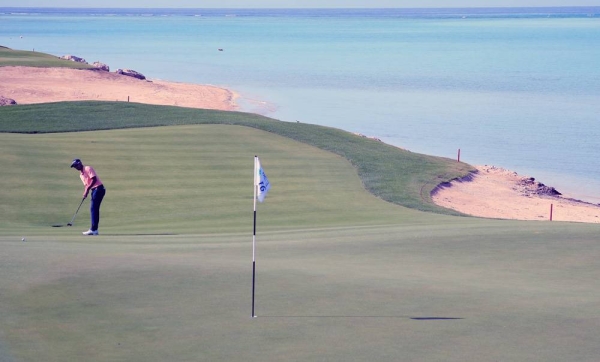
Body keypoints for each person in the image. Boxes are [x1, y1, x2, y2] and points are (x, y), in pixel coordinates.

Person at [70, 158, 106, 235]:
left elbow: (94, 180)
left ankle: (93, 229)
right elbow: (87, 185)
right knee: (94, 209)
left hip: (99, 189)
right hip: (94, 190)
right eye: (74, 166)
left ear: (80, 163)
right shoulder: (81, 175)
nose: (76, 167)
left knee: (93, 208)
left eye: (76, 165)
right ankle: (94, 229)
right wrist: (85, 192)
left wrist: (87, 190)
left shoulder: (88, 168)